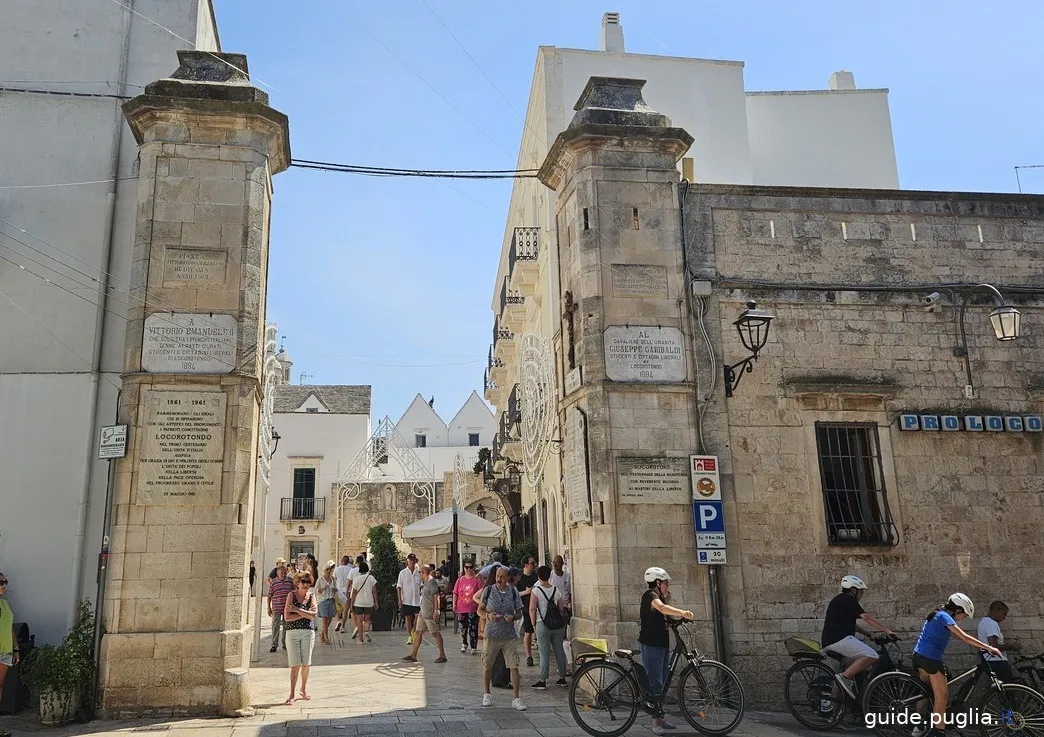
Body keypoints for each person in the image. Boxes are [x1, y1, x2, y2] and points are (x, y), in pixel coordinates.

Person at [912, 594, 1001, 737]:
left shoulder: (937, 614)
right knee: (942, 696)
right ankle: (938, 732)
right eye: (963, 616)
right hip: (930, 659)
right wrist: (988, 647)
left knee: (928, 692)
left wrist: (975, 643)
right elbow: (964, 636)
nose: (962, 619)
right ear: (958, 610)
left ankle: (918, 726)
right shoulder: (944, 616)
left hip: (919, 657)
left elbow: (957, 635)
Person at [821, 575, 897, 698]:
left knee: (853, 668)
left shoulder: (841, 601)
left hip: (833, 641)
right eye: (861, 592)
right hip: (839, 640)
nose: (861, 595)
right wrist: (886, 630)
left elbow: (852, 625)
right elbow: (866, 617)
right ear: (853, 591)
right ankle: (844, 678)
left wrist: (868, 634)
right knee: (871, 655)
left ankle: (836, 714)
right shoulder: (848, 599)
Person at [640, 567, 693, 737]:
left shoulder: (660, 598)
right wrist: (682, 612)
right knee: (655, 683)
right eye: (665, 583)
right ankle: (655, 723)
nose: (667, 585)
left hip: (661, 645)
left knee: (662, 683)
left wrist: (677, 617)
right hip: (651, 645)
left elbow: (665, 614)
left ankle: (660, 718)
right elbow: (662, 609)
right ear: (657, 583)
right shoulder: (650, 596)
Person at [477, 565, 527, 711]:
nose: (499, 579)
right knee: (487, 664)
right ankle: (486, 694)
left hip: (509, 635)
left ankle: (516, 698)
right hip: (491, 634)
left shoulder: (513, 592)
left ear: (507, 578)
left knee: (514, 666)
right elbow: (479, 610)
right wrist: (488, 615)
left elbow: (519, 613)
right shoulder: (488, 590)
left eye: (502, 577)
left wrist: (513, 617)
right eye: (498, 576)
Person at [529, 565, 568, 690]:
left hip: (542, 623)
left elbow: (532, 609)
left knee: (544, 653)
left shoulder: (536, 590)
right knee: (559, 650)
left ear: (539, 576)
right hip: (557, 625)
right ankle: (562, 678)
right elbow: (561, 608)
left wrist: (534, 624)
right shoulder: (556, 590)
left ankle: (543, 680)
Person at [283, 572, 318, 705]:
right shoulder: (291, 595)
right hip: (292, 632)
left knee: (306, 663)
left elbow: (314, 614)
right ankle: (292, 693)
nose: (306, 585)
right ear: (297, 582)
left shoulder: (311, 596)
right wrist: (304, 614)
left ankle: (303, 688)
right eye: (303, 582)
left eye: (308, 582)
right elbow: (287, 617)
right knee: (294, 665)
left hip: (307, 632)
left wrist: (297, 610)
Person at [402, 566, 448, 663]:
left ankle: (442, 655)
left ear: (423, 572)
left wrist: (436, 610)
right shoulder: (426, 582)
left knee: (435, 633)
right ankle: (413, 655)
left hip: (429, 612)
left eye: (420, 572)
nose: (419, 574)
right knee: (418, 632)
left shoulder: (432, 582)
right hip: (423, 612)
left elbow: (436, 597)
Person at [977, 600, 1021, 683]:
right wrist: (1011, 646)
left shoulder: (984, 621)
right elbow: (993, 646)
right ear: (996, 611)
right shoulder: (991, 623)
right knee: (1008, 691)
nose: (1004, 618)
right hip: (996, 662)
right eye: (1003, 614)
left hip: (990, 661)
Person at [0, 572, 19, 737]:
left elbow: (10, 626)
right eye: (0, 582)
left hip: (5, 651)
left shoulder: (5, 605)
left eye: (5, 582)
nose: (3, 585)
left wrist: (16, 647)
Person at [454, 561, 482, 654]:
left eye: (470, 567)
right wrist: (454, 604)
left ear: (473, 568)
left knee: (473, 627)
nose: (468, 569)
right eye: (466, 567)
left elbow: (481, 592)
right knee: (462, 628)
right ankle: (464, 643)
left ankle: (473, 646)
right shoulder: (460, 580)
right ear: (464, 568)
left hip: (473, 607)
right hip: (461, 607)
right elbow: (455, 593)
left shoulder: (476, 580)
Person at [268, 562, 294, 652]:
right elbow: (269, 595)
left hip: (287, 608)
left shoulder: (290, 581)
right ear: (277, 573)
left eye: (284, 572)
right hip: (276, 608)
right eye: (281, 573)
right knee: (275, 626)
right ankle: (274, 644)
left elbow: (294, 593)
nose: (283, 574)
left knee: (286, 626)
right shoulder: (273, 583)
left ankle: (285, 643)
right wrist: (268, 607)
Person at [517, 557, 538, 667]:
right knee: (528, 632)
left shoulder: (536, 576)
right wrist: (526, 592)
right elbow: (515, 594)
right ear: (526, 565)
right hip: (526, 608)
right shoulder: (520, 578)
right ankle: (529, 655)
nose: (534, 565)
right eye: (532, 563)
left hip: (538, 608)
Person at [350, 560, 377, 645]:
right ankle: (366, 631)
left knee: (359, 621)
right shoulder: (371, 578)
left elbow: (354, 592)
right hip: (369, 602)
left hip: (358, 602)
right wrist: (376, 601)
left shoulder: (356, 579)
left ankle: (361, 639)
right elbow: (374, 591)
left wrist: (351, 603)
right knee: (367, 619)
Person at [397, 553, 422, 645]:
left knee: (417, 617)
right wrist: (399, 599)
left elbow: (421, 585)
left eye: (413, 560)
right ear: (408, 561)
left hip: (416, 599)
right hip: (407, 599)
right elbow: (399, 587)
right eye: (410, 560)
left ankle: (413, 631)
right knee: (408, 618)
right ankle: (409, 636)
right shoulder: (403, 573)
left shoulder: (418, 573)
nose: (412, 562)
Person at [315, 561, 337, 645]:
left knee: (330, 618)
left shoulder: (333, 579)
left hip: (331, 599)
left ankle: (323, 633)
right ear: (324, 570)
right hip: (323, 601)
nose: (329, 571)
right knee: (325, 619)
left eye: (330, 569)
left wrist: (335, 589)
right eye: (327, 569)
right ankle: (326, 638)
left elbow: (336, 588)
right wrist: (322, 589)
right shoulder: (320, 580)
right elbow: (316, 591)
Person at [332, 555, 353, 633]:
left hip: (338, 590)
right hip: (347, 591)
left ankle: (338, 621)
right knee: (346, 610)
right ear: (348, 562)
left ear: (341, 561)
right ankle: (343, 627)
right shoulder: (351, 569)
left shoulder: (337, 569)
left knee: (338, 608)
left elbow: (334, 579)